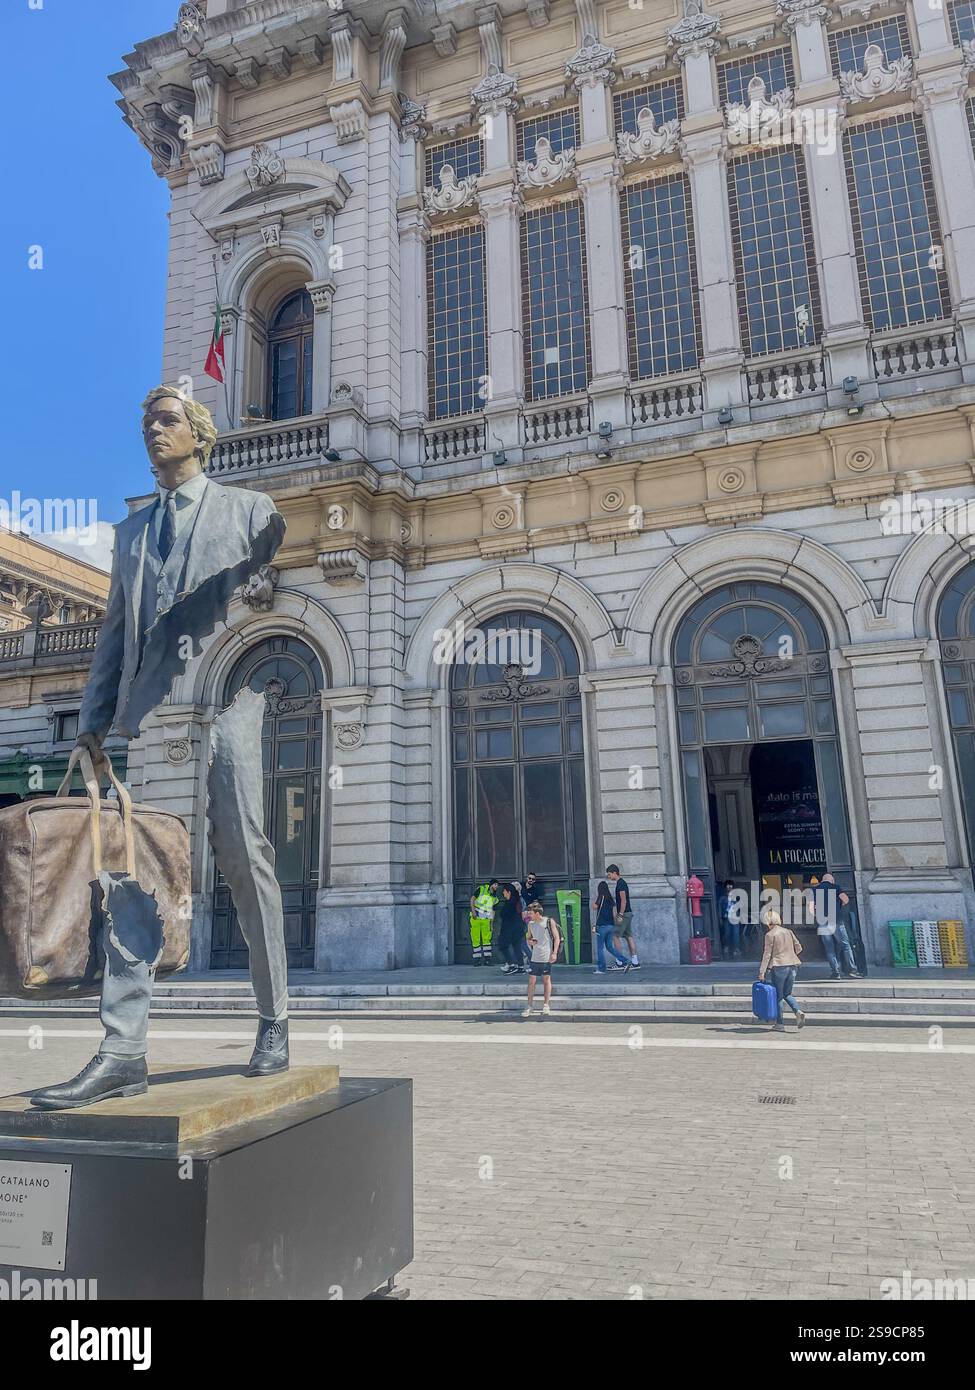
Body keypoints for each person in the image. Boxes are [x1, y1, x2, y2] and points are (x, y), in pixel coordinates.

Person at [30, 387, 289, 1110]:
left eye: (167, 420)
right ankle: (122, 1050)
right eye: (146, 422)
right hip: (155, 712)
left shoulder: (249, 513)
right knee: (133, 877)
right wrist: (93, 718)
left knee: (244, 859)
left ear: (199, 434)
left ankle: (273, 1020)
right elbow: (114, 632)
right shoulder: (131, 536)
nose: (153, 431)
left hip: (233, 693)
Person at [758, 909, 806, 1032]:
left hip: (779, 966)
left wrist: (762, 971)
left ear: (768, 922)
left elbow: (767, 954)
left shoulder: (770, 935)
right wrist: (790, 954)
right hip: (793, 965)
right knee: (787, 993)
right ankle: (797, 1011)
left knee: (778, 996)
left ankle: (779, 1024)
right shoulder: (788, 931)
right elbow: (799, 947)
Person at [814, 872, 861, 979]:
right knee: (845, 945)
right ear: (832, 880)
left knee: (829, 948)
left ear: (822, 880)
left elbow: (812, 907)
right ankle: (852, 970)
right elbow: (845, 899)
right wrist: (839, 906)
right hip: (836, 920)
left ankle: (836, 972)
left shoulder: (815, 889)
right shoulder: (835, 887)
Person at [523, 901, 561, 1017]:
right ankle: (529, 1006)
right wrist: (530, 941)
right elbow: (528, 938)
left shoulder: (549, 922)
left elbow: (556, 938)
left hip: (546, 956)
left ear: (537, 913)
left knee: (546, 980)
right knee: (531, 982)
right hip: (535, 956)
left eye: (531, 912)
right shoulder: (531, 924)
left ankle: (546, 1005)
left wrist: (554, 953)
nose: (529, 914)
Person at [592, 880, 630, 973]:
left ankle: (601, 968)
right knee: (610, 947)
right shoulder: (611, 899)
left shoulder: (601, 897)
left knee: (600, 948)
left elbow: (594, 907)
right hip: (611, 926)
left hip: (602, 926)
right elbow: (614, 914)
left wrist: (595, 898)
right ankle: (625, 961)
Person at [607, 864, 640, 968]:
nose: (609, 877)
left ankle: (619, 962)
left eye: (609, 874)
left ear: (614, 873)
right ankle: (635, 962)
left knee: (615, 936)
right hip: (628, 913)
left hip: (624, 914)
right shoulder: (621, 883)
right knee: (628, 936)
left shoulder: (621, 884)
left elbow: (623, 900)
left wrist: (620, 914)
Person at [496, 882, 527, 974]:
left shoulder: (510, 903)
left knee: (503, 945)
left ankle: (511, 965)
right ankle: (520, 967)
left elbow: (504, 915)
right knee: (516, 946)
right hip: (518, 927)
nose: (503, 893)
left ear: (509, 892)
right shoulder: (516, 900)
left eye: (504, 891)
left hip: (510, 929)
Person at [469, 879, 500, 966]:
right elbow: (472, 899)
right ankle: (477, 960)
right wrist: (473, 911)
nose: (497, 887)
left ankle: (487, 960)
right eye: (495, 885)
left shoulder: (495, 898)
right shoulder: (481, 889)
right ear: (491, 885)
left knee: (487, 939)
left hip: (486, 919)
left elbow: (493, 911)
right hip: (476, 917)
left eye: (497, 885)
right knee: (475, 938)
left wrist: (491, 923)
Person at [717, 880, 742, 959]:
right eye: (728, 885)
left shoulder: (737, 897)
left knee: (736, 934)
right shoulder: (722, 898)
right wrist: (720, 918)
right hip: (726, 918)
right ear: (725, 887)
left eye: (730, 885)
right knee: (727, 934)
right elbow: (719, 908)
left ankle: (736, 949)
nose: (729, 887)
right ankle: (726, 948)